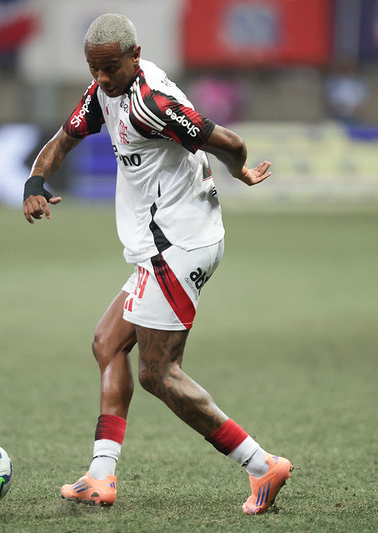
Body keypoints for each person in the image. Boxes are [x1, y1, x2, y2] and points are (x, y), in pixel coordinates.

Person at [22, 14, 292, 515]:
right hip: (160, 247)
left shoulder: (154, 104)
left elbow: (229, 141)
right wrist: (34, 183)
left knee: (158, 372)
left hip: (181, 245)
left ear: (135, 55)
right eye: (94, 69)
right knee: (107, 343)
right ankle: (100, 477)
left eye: (110, 68)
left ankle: (261, 465)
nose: (101, 79)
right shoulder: (103, 92)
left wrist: (243, 174)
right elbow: (62, 139)